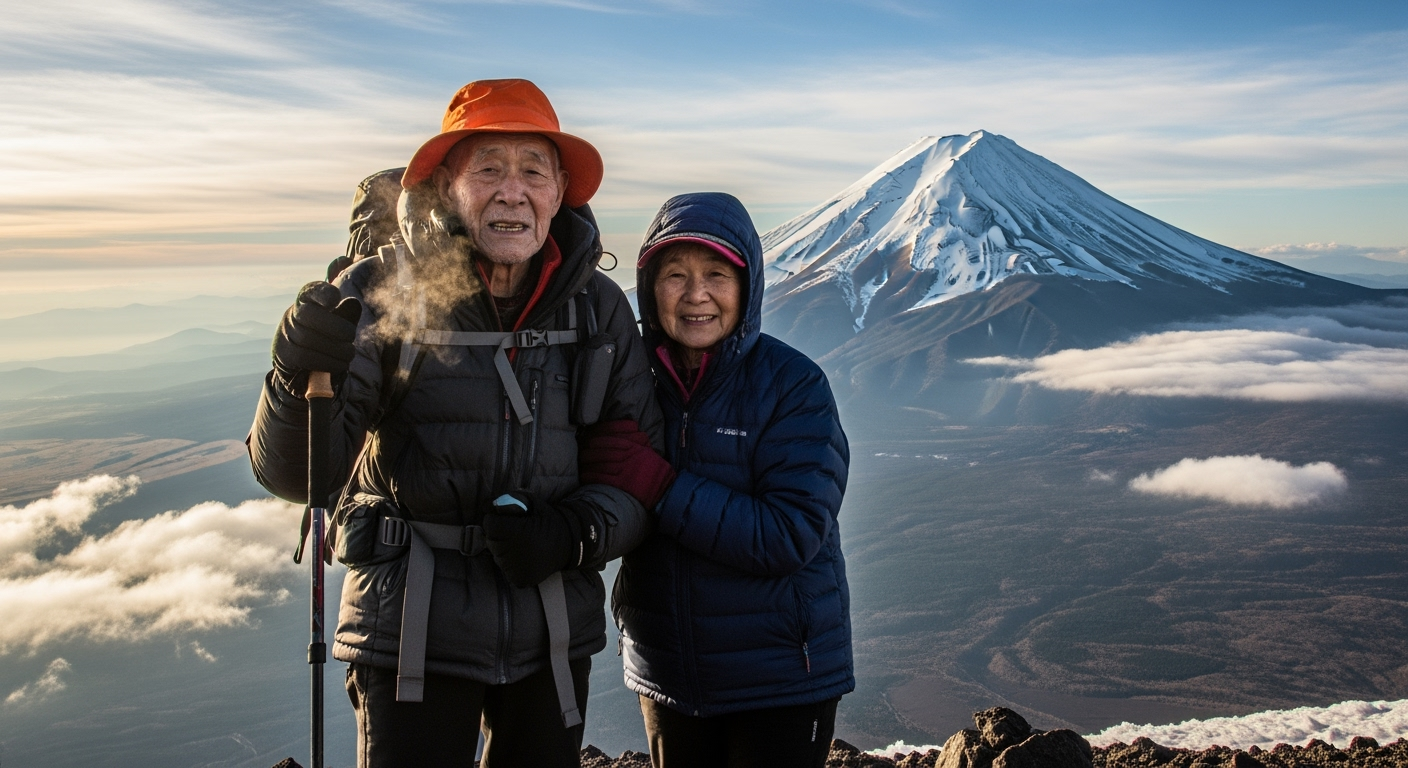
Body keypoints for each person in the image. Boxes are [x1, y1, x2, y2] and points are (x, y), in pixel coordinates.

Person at [246, 79, 671, 768]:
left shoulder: (596, 311)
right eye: (488, 169)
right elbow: (299, 475)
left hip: (550, 634)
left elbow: (635, 468)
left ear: (561, 189)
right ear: (447, 185)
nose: (513, 191)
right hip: (408, 631)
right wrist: (294, 379)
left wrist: (573, 532)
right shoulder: (380, 294)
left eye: (533, 169)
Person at [584, 192, 853, 768]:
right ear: (649, 287)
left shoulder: (793, 385)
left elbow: (790, 534)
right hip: (666, 671)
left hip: (779, 679)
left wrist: (659, 486)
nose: (695, 294)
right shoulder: (628, 379)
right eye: (674, 275)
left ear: (748, 284)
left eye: (716, 274)